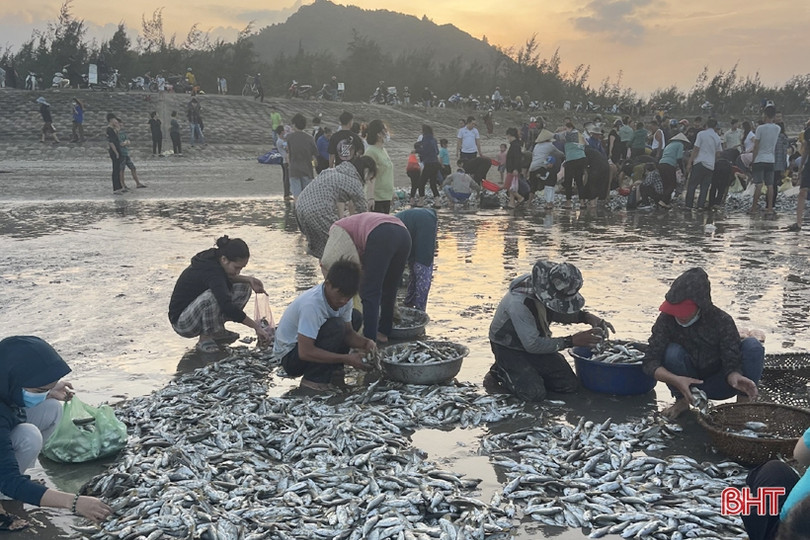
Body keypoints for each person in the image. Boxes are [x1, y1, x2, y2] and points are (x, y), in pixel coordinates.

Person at [0, 336, 112, 530]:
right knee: (29, 436)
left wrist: (49, 392)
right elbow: (8, 479)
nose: (44, 392)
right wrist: (74, 502)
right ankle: (7, 490)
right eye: (39, 389)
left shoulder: (5, 378)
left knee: (52, 408)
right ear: (13, 379)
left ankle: (14, 487)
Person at [641, 267, 764, 419]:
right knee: (672, 352)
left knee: (753, 347)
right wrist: (676, 380)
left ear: (700, 306)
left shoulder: (721, 321)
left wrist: (734, 375)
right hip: (686, 384)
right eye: (675, 310)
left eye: (684, 311)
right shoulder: (666, 319)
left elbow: (731, 359)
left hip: (720, 383)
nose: (678, 315)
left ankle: (743, 406)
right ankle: (682, 401)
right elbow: (650, 361)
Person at [485, 260, 614, 402]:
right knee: (534, 394)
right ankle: (500, 370)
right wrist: (571, 341)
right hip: (508, 346)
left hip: (535, 340)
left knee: (569, 385)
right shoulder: (519, 304)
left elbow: (557, 310)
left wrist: (586, 317)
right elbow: (532, 345)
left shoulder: (545, 288)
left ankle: (525, 371)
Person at [273, 259, 375, 391]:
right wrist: (347, 359)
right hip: (291, 358)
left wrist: (366, 344)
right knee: (337, 326)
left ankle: (334, 371)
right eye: (340, 295)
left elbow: (348, 333)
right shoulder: (312, 305)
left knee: (355, 317)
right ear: (327, 284)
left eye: (348, 297)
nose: (344, 300)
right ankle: (313, 379)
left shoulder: (345, 300)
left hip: (307, 347)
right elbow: (305, 352)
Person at [169, 236, 272, 353]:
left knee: (244, 286)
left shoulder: (216, 259)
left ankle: (217, 331)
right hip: (183, 323)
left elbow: (224, 280)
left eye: (241, 268)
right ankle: (205, 337)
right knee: (212, 297)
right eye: (236, 268)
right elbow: (226, 305)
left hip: (196, 312)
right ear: (224, 259)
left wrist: (249, 280)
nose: (238, 272)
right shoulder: (211, 271)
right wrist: (256, 327)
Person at [320, 213, 411, 343]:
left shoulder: (337, 228)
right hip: (404, 235)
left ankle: (369, 341)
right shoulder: (355, 225)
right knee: (390, 288)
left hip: (381, 235)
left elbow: (329, 262)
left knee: (370, 292)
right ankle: (384, 331)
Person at [295, 156, 375, 258]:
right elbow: (364, 215)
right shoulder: (355, 183)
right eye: (370, 178)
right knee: (338, 244)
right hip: (318, 211)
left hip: (300, 207)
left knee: (321, 246)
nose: (369, 181)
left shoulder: (331, 171)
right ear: (366, 172)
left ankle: (325, 270)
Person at [742, 427, 810, 540]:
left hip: (793, 528)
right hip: (797, 521)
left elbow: (800, 455)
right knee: (776, 470)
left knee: (771, 470)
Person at [394, 208, 438, 311]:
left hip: (423, 221)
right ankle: (410, 304)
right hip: (415, 221)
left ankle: (419, 310)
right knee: (414, 263)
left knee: (422, 266)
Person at [685, 118, 723, 210]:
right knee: (704, 187)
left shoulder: (701, 134)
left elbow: (696, 149)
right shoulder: (717, 137)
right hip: (710, 165)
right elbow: (718, 154)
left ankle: (689, 205)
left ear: (706, 125)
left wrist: (690, 162)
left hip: (700, 162)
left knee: (692, 185)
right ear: (715, 127)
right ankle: (700, 206)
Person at [750, 106, 780, 214]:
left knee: (758, 184)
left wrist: (753, 160)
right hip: (770, 159)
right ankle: (770, 208)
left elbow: (756, 146)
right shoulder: (777, 128)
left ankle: (753, 208)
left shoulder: (760, 128)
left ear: (766, 115)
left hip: (759, 159)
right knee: (770, 185)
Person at [285, 113, 319, 202]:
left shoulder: (289, 137)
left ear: (294, 124)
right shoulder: (310, 138)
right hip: (307, 170)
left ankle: (297, 214)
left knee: (296, 196)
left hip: (294, 170)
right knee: (307, 196)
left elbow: (288, 153)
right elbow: (315, 154)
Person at [363, 120, 394, 213]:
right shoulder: (371, 152)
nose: (387, 133)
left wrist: (392, 192)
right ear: (378, 134)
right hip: (376, 198)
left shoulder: (383, 150)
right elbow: (370, 176)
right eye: (385, 130)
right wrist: (370, 198)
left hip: (386, 196)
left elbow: (387, 173)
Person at [787, 123, 810, 231]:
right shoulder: (808, 132)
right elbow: (806, 150)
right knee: (802, 192)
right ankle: (799, 223)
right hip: (809, 166)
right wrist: (801, 169)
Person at [658, 133, 690, 207]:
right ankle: (662, 201)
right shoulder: (680, 144)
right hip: (669, 165)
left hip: (661, 164)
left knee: (666, 184)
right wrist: (682, 170)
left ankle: (666, 202)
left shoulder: (669, 145)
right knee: (672, 185)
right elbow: (679, 158)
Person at [562, 122, 587, 207]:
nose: (564, 130)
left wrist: (558, 131)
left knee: (568, 181)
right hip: (581, 158)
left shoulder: (568, 135)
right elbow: (586, 144)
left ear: (570, 127)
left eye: (565, 128)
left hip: (571, 159)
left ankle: (568, 202)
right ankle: (582, 203)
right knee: (579, 181)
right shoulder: (580, 135)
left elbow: (556, 137)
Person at [417, 125, 442, 207]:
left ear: (424, 131)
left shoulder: (425, 139)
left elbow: (424, 151)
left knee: (421, 182)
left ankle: (421, 201)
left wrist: (416, 151)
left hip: (429, 164)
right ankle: (437, 202)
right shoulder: (434, 140)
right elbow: (437, 152)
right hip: (436, 164)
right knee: (433, 183)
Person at [117, 120, 146, 190]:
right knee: (121, 170)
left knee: (133, 168)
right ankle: (123, 184)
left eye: (121, 125)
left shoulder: (123, 133)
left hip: (126, 153)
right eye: (119, 125)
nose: (121, 127)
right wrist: (125, 143)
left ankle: (138, 183)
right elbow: (121, 143)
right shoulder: (116, 134)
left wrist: (125, 143)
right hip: (121, 154)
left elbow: (128, 141)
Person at [504, 127, 525, 208]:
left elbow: (517, 158)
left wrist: (515, 169)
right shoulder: (515, 145)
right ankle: (511, 203)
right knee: (512, 186)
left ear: (510, 135)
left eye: (508, 136)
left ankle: (520, 198)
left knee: (508, 186)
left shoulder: (515, 146)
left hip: (513, 169)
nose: (507, 138)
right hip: (512, 169)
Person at [105, 113, 125, 194]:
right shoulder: (109, 129)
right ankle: (116, 188)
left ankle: (119, 186)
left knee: (118, 169)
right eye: (114, 119)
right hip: (114, 151)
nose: (115, 121)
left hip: (117, 149)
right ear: (110, 120)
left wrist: (117, 127)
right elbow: (111, 142)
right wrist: (116, 152)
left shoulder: (113, 129)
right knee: (115, 169)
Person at [274, 125, 291, 201]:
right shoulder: (281, 141)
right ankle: (286, 194)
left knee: (286, 177)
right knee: (287, 177)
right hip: (286, 160)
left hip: (284, 160)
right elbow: (287, 149)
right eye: (284, 131)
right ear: (282, 132)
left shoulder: (280, 141)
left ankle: (288, 192)